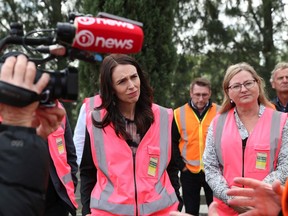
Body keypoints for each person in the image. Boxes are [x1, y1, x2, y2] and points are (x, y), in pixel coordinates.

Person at [79, 54, 180, 215]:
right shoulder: (96, 121)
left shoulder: (164, 117)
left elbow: (172, 167)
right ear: (111, 88)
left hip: (160, 211)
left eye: (134, 77)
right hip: (109, 212)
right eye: (122, 81)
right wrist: (86, 211)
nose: (132, 85)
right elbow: (87, 171)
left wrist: (177, 204)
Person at [202, 62, 288, 215]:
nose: (243, 89)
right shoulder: (217, 123)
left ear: (258, 84)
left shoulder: (281, 120)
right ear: (228, 92)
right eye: (236, 86)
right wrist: (230, 197)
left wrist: (256, 195)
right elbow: (210, 167)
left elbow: (285, 166)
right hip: (225, 208)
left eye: (248, 83)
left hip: (267, 207)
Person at [0, 54, 66, 215]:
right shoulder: (15, 113)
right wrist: (17, 123)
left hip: (54, 200)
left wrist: (35, 140)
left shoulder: (47, 109)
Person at [172, 77, 219, 215]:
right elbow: (173, 143)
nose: (200, 98)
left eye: (204, 94)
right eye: (197, 94)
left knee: (216, 210)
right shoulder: (178, 113)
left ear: (210, 93)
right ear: (191, 93)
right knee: (191, 211)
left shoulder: (220, 112)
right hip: (189, 172)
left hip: (213, 171)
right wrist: (182, 166)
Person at [44, 102, 78, 216]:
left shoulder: (58, 108)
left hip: (57, 201)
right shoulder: (7, 109)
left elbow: (70, 155)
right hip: (21, 200)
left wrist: (70, 185)